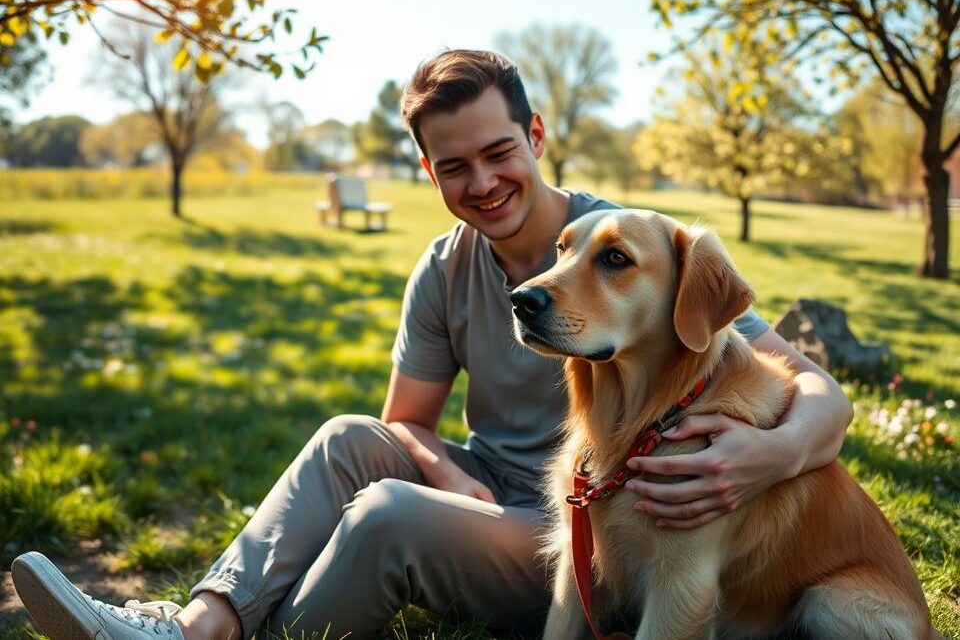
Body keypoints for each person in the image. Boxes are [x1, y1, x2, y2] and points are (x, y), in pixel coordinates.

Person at [12, 49, 853, 640]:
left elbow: (824, 394)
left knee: (389, 516)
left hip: (589, 528)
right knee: (346, 440)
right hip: (495, 487)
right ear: (429, 171)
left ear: (537, 135)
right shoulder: (445, 266)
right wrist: (450, 474)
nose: (482, 183)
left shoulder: (628, 249)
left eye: (499, 152)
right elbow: (404, 420)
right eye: (455, 167)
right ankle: (196, 625)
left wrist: (770, 455)